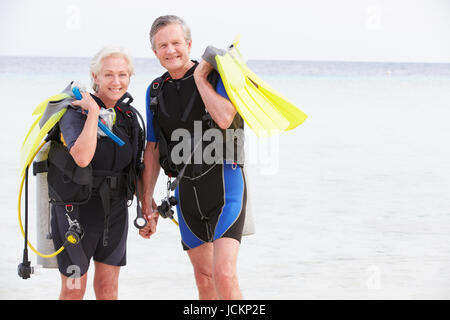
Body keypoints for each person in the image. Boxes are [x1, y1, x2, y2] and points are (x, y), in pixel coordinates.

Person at [139, 15, 247, 300]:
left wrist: (199, 77)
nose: (170, 50)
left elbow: (225, 117)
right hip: (186, 191)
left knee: (224, 273)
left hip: (225, 183)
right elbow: (152, 149)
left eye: (176, 43)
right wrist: (146, 199)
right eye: (163, 45)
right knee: (204, 278)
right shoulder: (155, 91)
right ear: (154, 52)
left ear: (189, 44)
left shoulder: (215, 75)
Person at [49, 45, 144, 300]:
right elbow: (81, 158)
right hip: (75, 212)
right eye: (109, 74)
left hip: (114, 214)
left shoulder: (128, 117)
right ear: (95, 78)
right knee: (73, 291)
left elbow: (136, 167)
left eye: (122, 75)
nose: (116, 81)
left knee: (108, 290)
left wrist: (147, 207)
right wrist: (92, 112)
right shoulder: (74, 112)